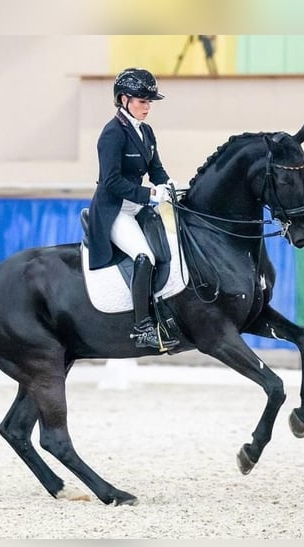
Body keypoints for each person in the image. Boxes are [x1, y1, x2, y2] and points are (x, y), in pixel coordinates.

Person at [87, 68, 179, 349]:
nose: (147, 107)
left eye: (149, 101)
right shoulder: (112, 134)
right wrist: (151, 194)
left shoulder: (146, 131)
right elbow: (111, 181)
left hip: (138, 207)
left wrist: (170, 186)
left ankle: (165, 316)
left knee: (169, 251)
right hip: (115, 210)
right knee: (145, 256)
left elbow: (156, 170)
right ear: (124, 99)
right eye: (142, 101)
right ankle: (142, 327)